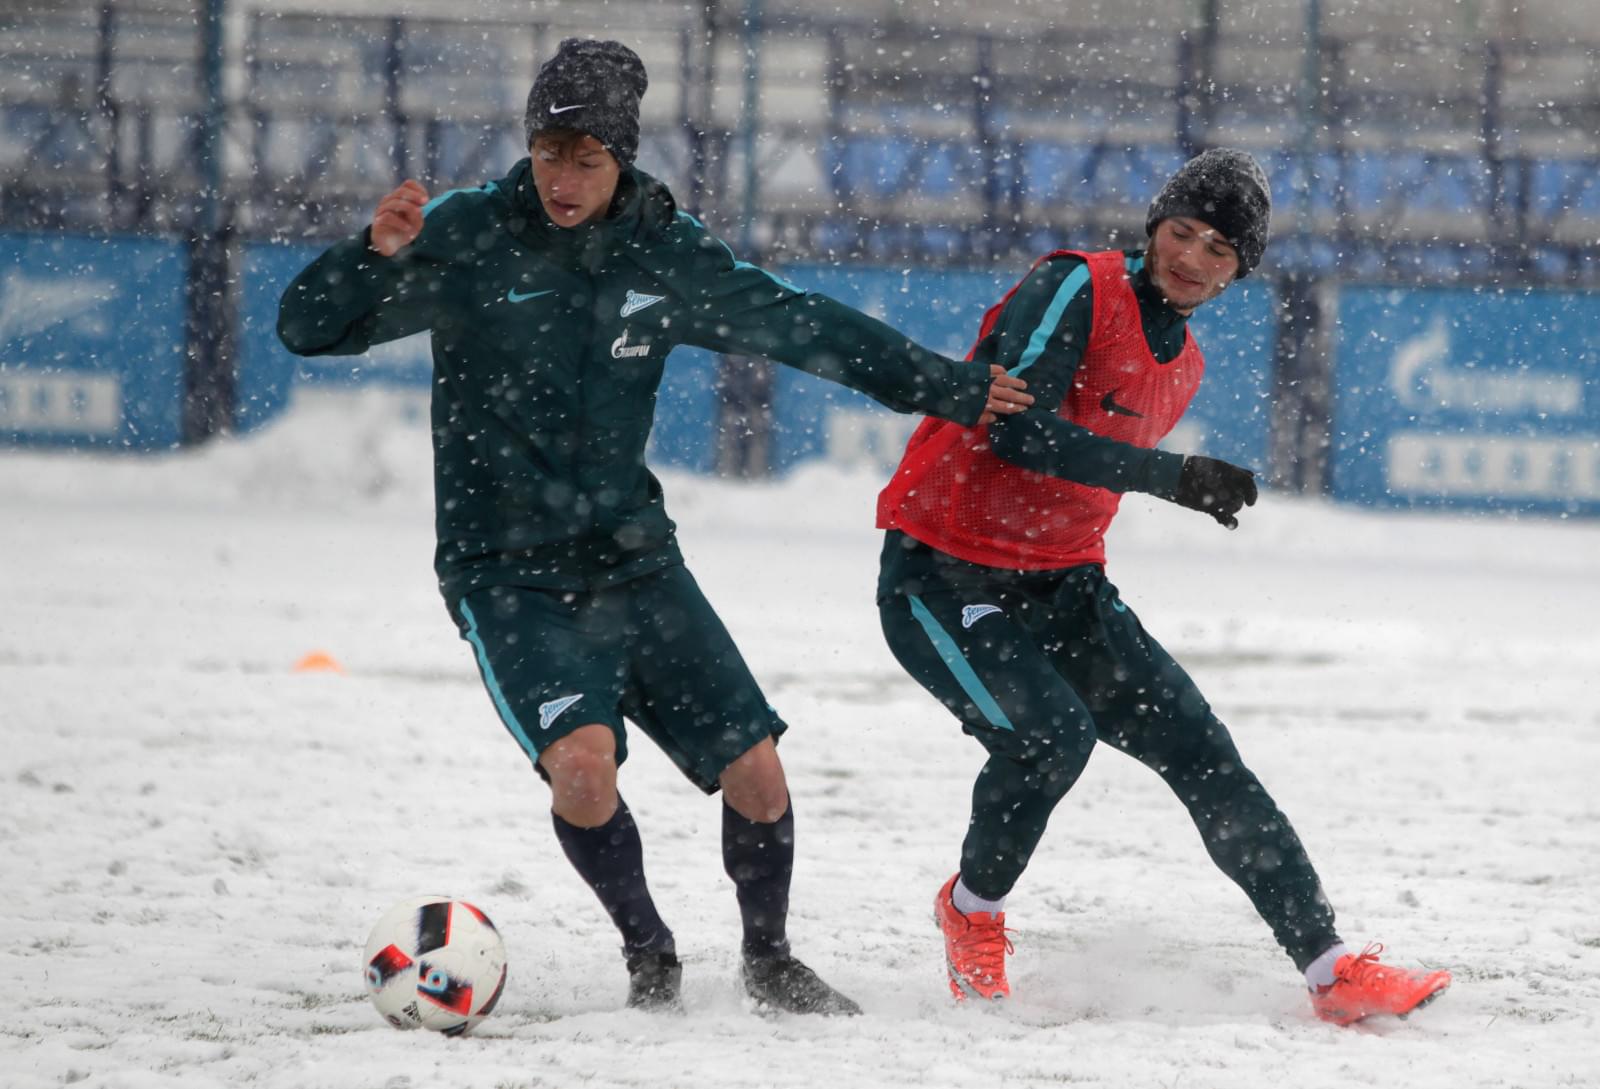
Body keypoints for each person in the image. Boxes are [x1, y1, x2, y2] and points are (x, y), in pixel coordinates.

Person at [277, 38, 1032, 1017]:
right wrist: (366, 260)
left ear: (621, 159)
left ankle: (769, 961)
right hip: (505, 570)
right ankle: (650, 954)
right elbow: (308, 328)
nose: (564, 177)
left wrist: (952, 388)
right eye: (550, 152)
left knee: (758, 775)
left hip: (635, 559)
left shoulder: (664, 253)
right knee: (583, 770)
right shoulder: (469, 237)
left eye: (587, 159)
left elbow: (804, 324)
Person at [874, 148, 1451, 1025]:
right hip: (940, 575)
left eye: (1220, 249)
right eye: (1182, 232)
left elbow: (1078, 481)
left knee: (1205, 753)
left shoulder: (1188, 364)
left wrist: (1152, 481)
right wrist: (1168, 476)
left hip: (1066, 585)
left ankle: (1331, 969)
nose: (1192, 257)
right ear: (1153, 228)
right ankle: (972, 910)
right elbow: (1015, 434)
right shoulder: (1075, 284)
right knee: (1050, 738)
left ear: (1239, 274)